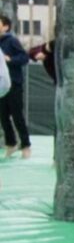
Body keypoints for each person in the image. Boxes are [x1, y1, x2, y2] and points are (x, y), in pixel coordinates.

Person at [0, 14, 31, 157]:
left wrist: (10, 59)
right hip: (1, 86)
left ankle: (25, 145)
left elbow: (24, 57)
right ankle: (11, 144)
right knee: (3, 117)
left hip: (13, 84)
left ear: (5, 26)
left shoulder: (11, 41)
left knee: (17, 115)